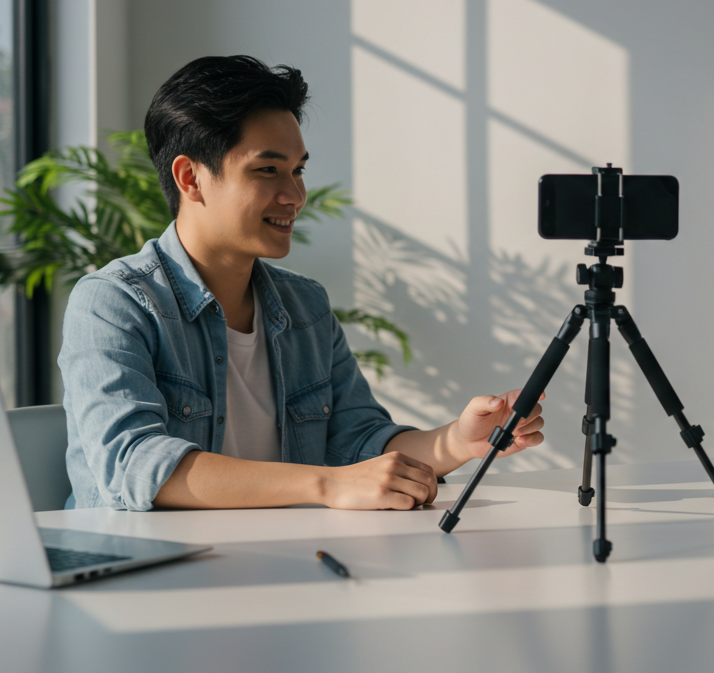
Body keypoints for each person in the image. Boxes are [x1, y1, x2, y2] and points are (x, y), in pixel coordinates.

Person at [60, 55, 544, 511]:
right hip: (150, 563)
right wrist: (328, 484)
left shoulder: (304, 305)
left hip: (284, 554)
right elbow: (133, 465)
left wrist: (457, 441)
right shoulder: (114, 302)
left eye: (298, 171)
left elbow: (358, 439)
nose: (294, 195)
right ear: (190, 178)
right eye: (267, 170)